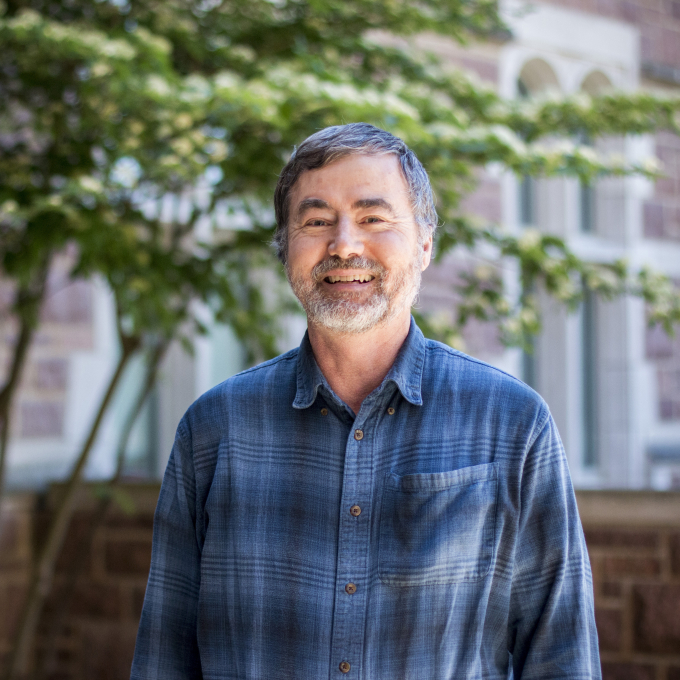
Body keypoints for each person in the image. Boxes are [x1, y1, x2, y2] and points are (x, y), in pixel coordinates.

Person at [130, 123, 600, 679]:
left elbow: (563, 659)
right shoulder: (214, 430)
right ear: (286, 248)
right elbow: (163, 660)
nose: (344, 244)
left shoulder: (514, 426)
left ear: (425, 243)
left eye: (374, 218)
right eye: (316, 220)